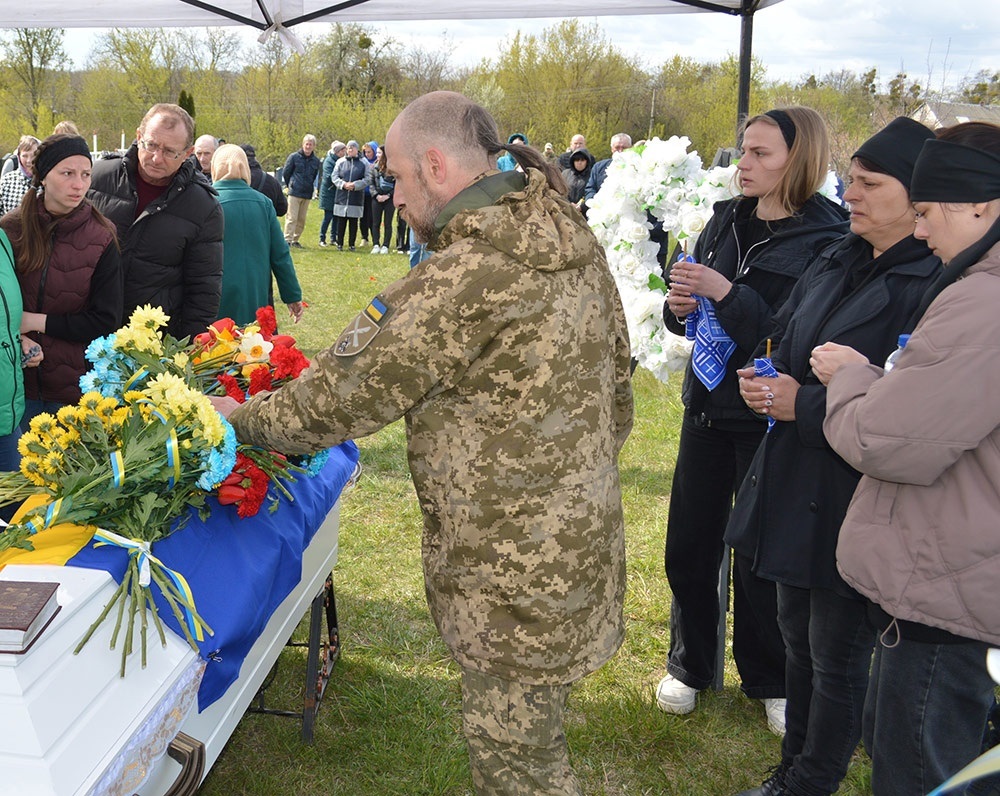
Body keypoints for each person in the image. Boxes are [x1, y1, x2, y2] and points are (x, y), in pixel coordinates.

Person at [211, 90, 633, 796]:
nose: (396, 195)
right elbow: (619, 394)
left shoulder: (466, 276)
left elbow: (341, 396)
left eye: (401, 177)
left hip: (510, 572)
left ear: (437, 166)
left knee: (519, 771)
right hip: (578, 543)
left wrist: (237, 419)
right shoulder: (568, 236)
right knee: (534, 736)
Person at [727, 117, 939, 796]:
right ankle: (792, 767)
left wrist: (804, 406)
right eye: (852, 178)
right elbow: (785, 333)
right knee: (797, 635)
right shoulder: (838, 255)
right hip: (795, 477)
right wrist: (766, 378)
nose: (851, 192)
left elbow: (912, 410)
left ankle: (810, 780)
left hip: (856, 494)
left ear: (917, 198)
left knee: (836, 651)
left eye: (870, 184)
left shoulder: (933, 283)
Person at [814, 121, 1000, 796]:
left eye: (926, 212)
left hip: (950, 599)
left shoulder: (984, 299)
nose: (921, 233)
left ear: (979, 203)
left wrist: (853, 379)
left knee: (923, 774)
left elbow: (885, 442)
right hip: (971, 580)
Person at [658, 107, 849, 734]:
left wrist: (724, 291)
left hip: (769, 418)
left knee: (761, 555)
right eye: (743, 151)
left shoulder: (828, 239)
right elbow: (690, 320)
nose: (744, 164)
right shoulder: (724, 220)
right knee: (690, 542)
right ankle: (690, 664)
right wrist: (680, 304)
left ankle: (769, 678)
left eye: (762, 154)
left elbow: (787, 332)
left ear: (798, 160)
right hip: (706, 406)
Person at [0, 134, 122, 423]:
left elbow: (106, 319)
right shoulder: (10, 230)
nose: (79, 184)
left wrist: (33, 321)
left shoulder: (102, 237)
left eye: (85, 174)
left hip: (75, 391)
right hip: (17, 388)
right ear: (42, 176)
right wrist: (20, 336)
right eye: (67, 173)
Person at [88, 103, 223, 341]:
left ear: (187, 153)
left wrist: (187, 350)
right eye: (151, 145)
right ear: (139, 137)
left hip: (153, 344)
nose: (156, 158)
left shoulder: (203, 206)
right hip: (86, 328)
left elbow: (203, 290)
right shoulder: (97, 179)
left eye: (170, 152)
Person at [211, 144, 304, 327]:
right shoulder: (264, 203)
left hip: (216, 294)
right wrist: (292, 295)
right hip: (255, 292)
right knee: (254, 345)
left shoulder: (208, 202)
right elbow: (280, 254)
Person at [282, 134, 321, 248]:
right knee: (291, 217)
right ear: (303, 144)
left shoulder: (316, 161)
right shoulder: (294, 157)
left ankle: (295, 240)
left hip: (307, 193)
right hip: (294, 192)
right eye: (306, 144)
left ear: (314, 146)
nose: (308, 147)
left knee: (301, 219)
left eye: (310, 144)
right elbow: (286, 172)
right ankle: (287, 240)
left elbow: (314, 176)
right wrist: (292, 184)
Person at [331, 140, 371, 252]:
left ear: (356, 149)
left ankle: (351, 244)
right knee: (341, 221)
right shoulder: (340, 162)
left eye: (352, 148)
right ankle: (340, 243)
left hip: (356, 197)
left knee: (353, 222)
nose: (350, 150)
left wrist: (355, 185)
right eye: (348, 148)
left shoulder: (364, 163)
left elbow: (367, 178)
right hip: (342, 196)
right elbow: (334, 176)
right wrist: (343, 184)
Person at [240, 143, 287, 218]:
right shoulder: (272, 181)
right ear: (255, 158)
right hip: (265, 227)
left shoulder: (236, 181)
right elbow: (282, 209)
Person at [585, 133, 632, 203]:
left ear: (631, 148)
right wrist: (594, 202)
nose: (620, 151)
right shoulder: (598, 167)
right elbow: (590, 188)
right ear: (612, 149)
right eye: (617, 147)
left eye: (624, 148)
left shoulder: (638, 167)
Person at [0, 136, 40, 215]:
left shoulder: (47, 181)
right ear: (18, 156)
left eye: (33, 155)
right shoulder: (6, 181)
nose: (29, 161)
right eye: (25, 156)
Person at [318, 140, 345, 247]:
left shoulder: (342, 160)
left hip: (337, 192)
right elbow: (329, 176)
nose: (344, 152)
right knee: (328, 216)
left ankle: (334, 238)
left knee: (336, 217)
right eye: (343, 150)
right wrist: (342, 179)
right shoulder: (329, 161)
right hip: (329, 192)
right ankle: (322, 238)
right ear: (338, 151)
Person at [368, 147, 395, 254]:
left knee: (388, 223)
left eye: (379, 153)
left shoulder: (393, 168)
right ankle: (376, 244)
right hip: (376, 198)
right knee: (375, 222)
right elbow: (370, 183)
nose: (377, 155)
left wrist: (388, 195)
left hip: (389, 199)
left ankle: (385, 245)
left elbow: (396, 185)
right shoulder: (373, 167)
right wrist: (376, 195)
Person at [561, 147, 594, 212]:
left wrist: (582, 206)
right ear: (572, 161)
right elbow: (560, 191)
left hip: (586, 212)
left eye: (582, 160)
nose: (579, 162)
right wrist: (568, 204)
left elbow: (594, 192)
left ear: (587, 161)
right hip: (567, 210)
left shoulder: (592, 175)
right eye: (577, 160)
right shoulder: (565, 174)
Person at [360, 141, 379, 247]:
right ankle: (364, 237)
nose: (367, 154)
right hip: (363, 193)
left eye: (369, 152)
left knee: (373, 218)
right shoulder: (363, 162)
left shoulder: (378, 162)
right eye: (365, 152)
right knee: (363, 217)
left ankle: (375, 238)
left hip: (373, 193)